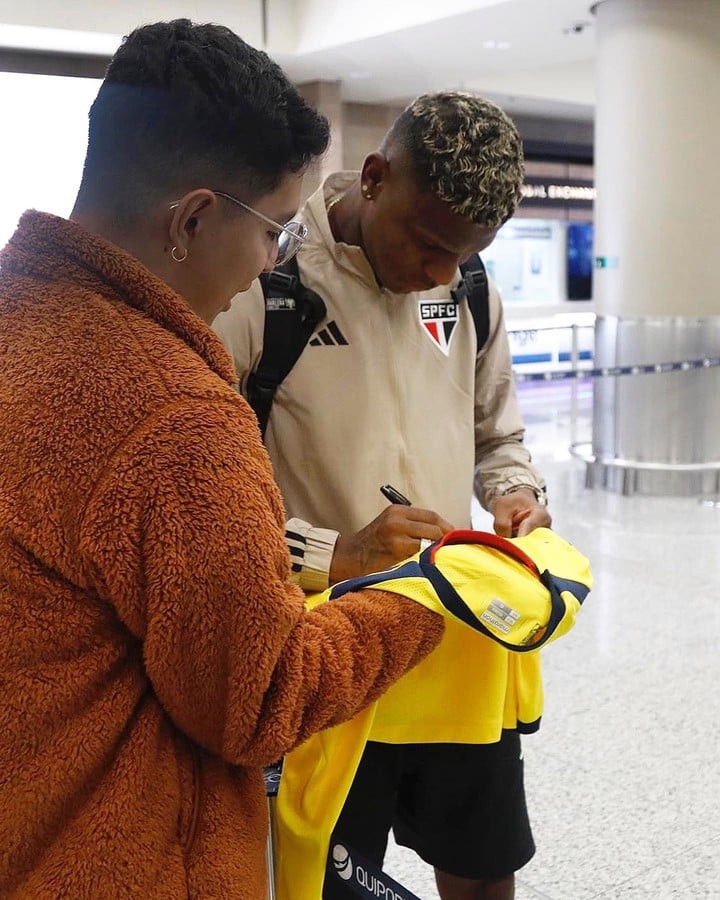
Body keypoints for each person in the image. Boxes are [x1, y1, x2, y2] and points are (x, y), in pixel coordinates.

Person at [0, 21, 458, 899]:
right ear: (194, 219)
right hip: (125, 854)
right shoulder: (173, 417)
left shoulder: (23, 324)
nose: (265, 268)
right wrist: (426, 603)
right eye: (274, 232)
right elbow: (257, 697)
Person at [214, 91, 552, 900]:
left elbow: (499, 438)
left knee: (482, 865)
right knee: (326, 876)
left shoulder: (468, 290)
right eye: (429, 242)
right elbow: (214, 503)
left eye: (466, 252)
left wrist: (515, 496)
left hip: (453, 642)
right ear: (373, 178)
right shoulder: (269, 286)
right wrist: (339, 552)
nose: (441, 271)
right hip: (324, 652)